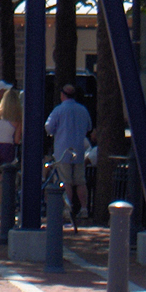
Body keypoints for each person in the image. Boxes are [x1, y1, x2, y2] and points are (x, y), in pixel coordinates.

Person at [45, 84, 94, 219]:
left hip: (62, 151)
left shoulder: (58, 110)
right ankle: (84, 209)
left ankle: (68, 209)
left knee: (65, 180)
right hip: (79, 151)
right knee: (80, 181)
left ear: (62, 95)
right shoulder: (83, 110)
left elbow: (48, 128)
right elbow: (89, 127)